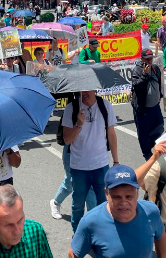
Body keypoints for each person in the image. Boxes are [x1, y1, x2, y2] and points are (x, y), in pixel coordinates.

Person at [68, 164, 166, 258]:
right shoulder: (90, 222)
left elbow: (161, 237)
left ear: (137, 193)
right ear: (106, 193)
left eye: (129, 197)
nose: (123, 202)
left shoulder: (151, 212)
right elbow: (74, 253)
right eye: (117, 197)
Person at [61, 90, 119, 230]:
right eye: (82, 90)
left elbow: (111, 133)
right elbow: (67, 139)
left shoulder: (105, 105)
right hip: (79, 167)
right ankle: (78, 234)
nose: (84, 93)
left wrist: (116, 161)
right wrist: (79, 124)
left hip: (101, 165)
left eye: (88, 89)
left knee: (103, 203)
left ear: (95, 89)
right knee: (78, 205)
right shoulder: (71, 108)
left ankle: (102, 234)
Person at [127, 49, 165, 160]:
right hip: (143, 108)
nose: (149, 60)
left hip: (155, 106)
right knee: (143, 133)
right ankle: (147, 155)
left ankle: (152, 144)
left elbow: (158, 82)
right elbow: (137, 87)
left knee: (159, 126)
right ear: (142, 59)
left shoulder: (155, 68)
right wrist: (144, 74)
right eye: (147, 58)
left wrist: (159, 96)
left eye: (151, 58)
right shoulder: (137, 70)